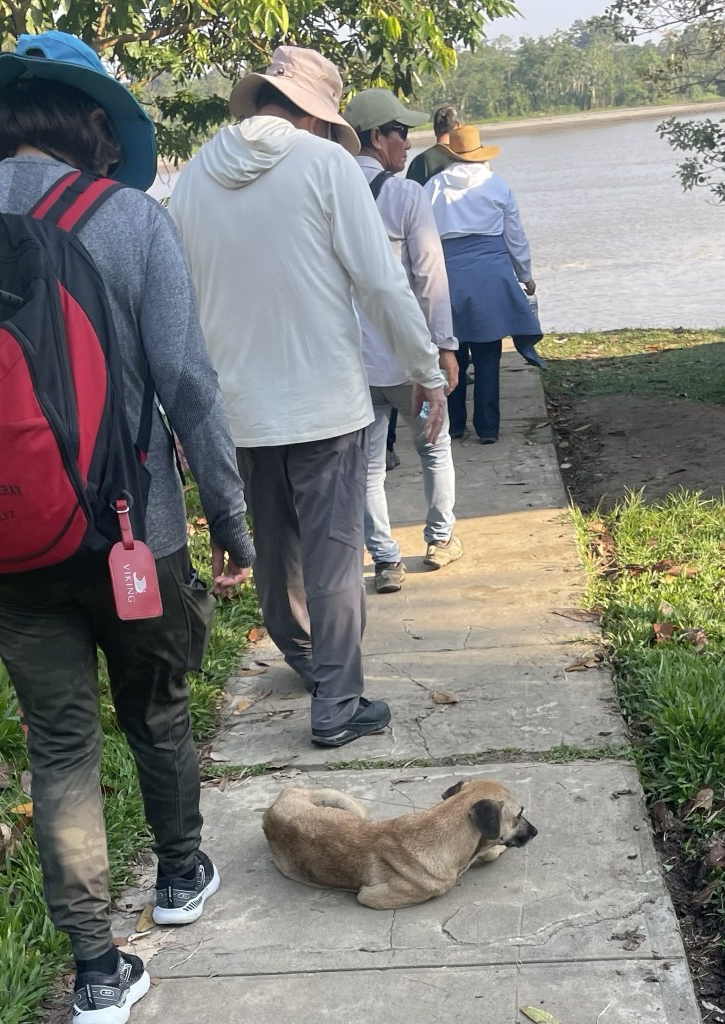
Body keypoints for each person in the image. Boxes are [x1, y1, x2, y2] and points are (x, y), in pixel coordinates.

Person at [0, 31, 255, 1024]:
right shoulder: (128, 218)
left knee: (59, 743)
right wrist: (230, 520)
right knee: (155, 705)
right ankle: (181, 875)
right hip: (130, 533)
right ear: (97, 123)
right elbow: (187, 384)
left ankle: (99, 971)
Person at [169, 47, 446, 746]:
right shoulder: (325, 165)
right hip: (324, 399)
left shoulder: (193, 177)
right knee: (334, 553)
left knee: (275, 545)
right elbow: (380, 283)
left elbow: (181, 304)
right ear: (318, 117)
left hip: (237, 409)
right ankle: (338, 703)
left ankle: (307, 660)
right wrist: (426, 368)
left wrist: (186, 415)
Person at [343, 88, 464, 594]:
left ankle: (386, 559)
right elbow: (429, 277)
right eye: (401, 133)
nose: (408, 144)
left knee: (369, 465)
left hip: (351, 361)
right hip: (406, 358)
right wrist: (444, 347)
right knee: (434, 446)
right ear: (377, 136)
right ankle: (439, 539)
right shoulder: (406, 195)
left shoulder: (327, 192)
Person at [425, 125, 545, 444]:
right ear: (480, 155)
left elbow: (420, 238)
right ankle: (488, 428)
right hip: (490, 276)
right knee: (488, 353)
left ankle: (455, 425)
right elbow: (515, 236)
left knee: (451, 350)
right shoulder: (497, 186)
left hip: (447, 276)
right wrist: (525, 274)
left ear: (451, 154)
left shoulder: (432, 187)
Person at [406, 105, 460, 186]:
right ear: (457, 126)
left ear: (435, 128)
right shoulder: (465, 157)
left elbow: (410, 191)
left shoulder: (421, 160)